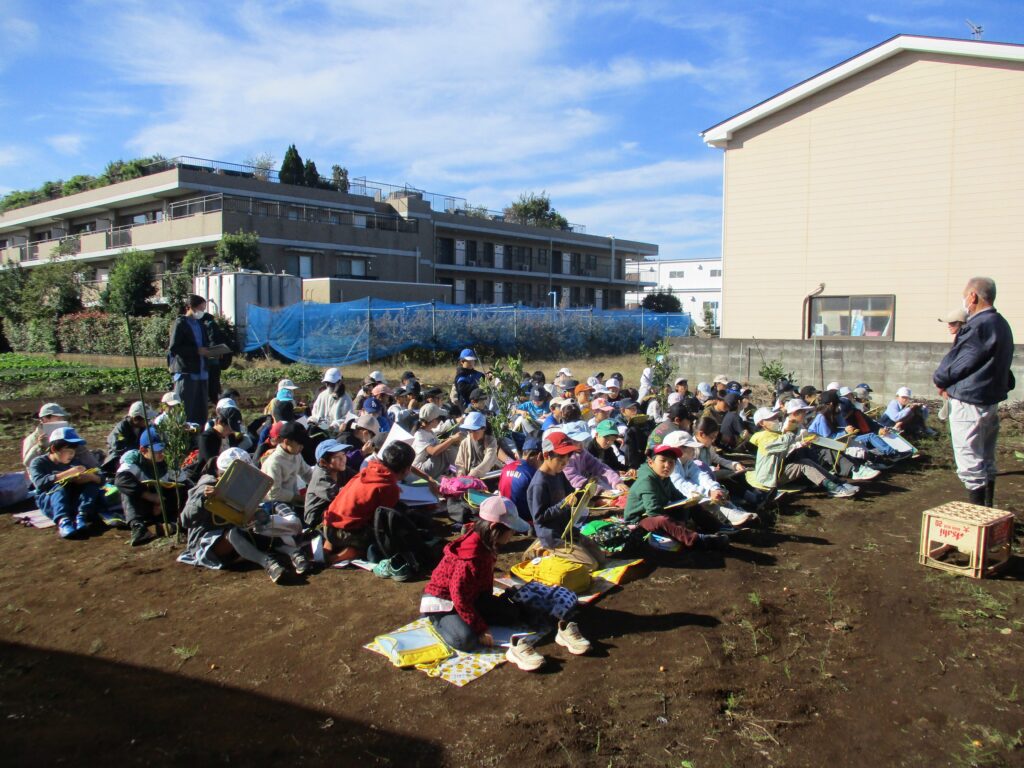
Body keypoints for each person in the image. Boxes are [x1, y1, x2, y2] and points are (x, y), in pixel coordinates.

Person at [420, 495, 590, 670]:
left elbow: (477, 586)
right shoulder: (468, 557)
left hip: (471, 597)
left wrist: (489, 605)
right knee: (466, 640)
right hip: (444, 602)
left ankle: (472, 617)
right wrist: (480, 628)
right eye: (511, 530)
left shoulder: (484, 541)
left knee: (510, 614)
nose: (513, 535)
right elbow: (459, 597)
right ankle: (436, 619)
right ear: (494, 527)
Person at [933, 276, 1015, 506]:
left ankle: (978, 515)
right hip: (989, 398)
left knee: (970, 461)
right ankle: (988, 509)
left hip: (970, 399)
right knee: (985, 459)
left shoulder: (979, 325)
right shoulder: (1002, 324)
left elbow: (961, 361)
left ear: (973, 296)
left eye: (965, 296)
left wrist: (940, 379)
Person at [178, 449, 293, 583]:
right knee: (233, 533)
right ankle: (268, 563)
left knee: (262, 521)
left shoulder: (241, 487)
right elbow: (185, 520)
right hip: (207, 543)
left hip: (236, 534)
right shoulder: (206, 486)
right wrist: (203, 499)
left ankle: (293, 553)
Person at [623, 442, 727, 551]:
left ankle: (717, 527)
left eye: (671, 462)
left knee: (690, 505)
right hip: (639, 521)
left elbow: (678, 497)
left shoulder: (664, 478)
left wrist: (690, 502)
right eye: (662, 460)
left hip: (655, 512)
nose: (667, 465)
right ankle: (698, 540)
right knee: (662, 520)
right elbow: (653, 511)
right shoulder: (647, 480)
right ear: (651, 462)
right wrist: (679, 523)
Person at [322, 441, 415, 562]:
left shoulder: (370, 470)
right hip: (345, 533)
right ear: (407, 469)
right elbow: (382, 520)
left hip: (328, 524)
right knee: (380, 537)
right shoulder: (389, 486)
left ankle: (328, 545)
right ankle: (342, 555)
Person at [526, 432, 605, 568]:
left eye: (568, 458)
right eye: (561, 459)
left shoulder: (559, 474)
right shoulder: (539, 483)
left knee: (601, 559)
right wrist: (563, 504)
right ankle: (544, 551)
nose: (565, 463)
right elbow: (538, 517)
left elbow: (572, 495)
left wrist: (587, 489)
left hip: (566, 531)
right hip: (553, 537)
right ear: (546, 455)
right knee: (591, 565)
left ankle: (552, 550)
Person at [748, 405, 858, 498]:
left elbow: (783, 448)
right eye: (771, 418)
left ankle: (837, 482)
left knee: (806, 461)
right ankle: (834, 488)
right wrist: (790, 431)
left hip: (776, 470)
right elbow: (783, 444)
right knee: (803, 465)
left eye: (776, 417)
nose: (776, 419)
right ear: (762, 423)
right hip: (769, 477)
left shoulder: (774, 434)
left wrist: (799, 444)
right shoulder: (763, 437)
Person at [115, 427, 188, 546]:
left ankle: (175, 524)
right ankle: (138, 527)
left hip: (164, 502)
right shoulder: (134, 459)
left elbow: (184, 485)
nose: (162, 454)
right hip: (143, 502)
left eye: (164, 449)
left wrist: (163, 502)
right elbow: (121, 480)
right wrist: (150, 496)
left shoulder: (169, 460)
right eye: (157, 451)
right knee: (126, 492)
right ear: (143, 450)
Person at [28, 427, 105, 539]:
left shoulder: (74, 462)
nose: (72, 455)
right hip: (51, 502)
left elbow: (101, 478)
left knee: (91, 485)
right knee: (58, 487)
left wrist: (91, 477)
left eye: (73, 451)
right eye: (68, 451)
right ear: (54, 449)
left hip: (71, 499)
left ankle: (82, 515)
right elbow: (40, 483)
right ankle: (63, 520)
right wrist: (68, 473)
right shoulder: (39, 462)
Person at [168, 294, 212, 426]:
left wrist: (211, 352)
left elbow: (204, 344)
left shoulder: (201, 324)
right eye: (200, 308)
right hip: (187, 372)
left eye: (203, 309)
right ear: (190, 307)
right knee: (186, 410)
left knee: (201, 411)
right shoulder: (181, 323)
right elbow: (174, 347)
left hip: (202, 372)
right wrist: (196, 351)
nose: (201, 312)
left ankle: (198, 440)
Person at [22, 402, 99, 474]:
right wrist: (39, 447)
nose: (62, 421)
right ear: (44, 419)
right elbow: (28, 464)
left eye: (62, 419)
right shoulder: (31, 439)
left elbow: (90, 462)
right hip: (47, 477)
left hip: (70, 474)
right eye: (58, 419)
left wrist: (76, 445)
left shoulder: (67, 433)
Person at [560, 421, 630, 493]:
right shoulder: (565, 458)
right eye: (575, 441)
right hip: (570, 496)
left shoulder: (583, 452)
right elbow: (575, 480)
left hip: (587, 490)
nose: (580, 445)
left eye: (581, 441)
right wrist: (600, 490)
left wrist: (617, 482)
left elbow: (600, 467)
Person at [304, 439, 355, 530]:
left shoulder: (341, 469)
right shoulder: (320, 478)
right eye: (337, 457)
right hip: (317, 517)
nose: (343, 459)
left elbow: (357, 477)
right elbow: (340, 495)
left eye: (343, 454)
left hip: (333, 507)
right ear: (324, 462)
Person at [262, 421, 313, 507]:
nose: (302, 447)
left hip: (293, 500)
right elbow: (274, 493)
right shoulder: (274, 462)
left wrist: (320, 485)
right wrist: (299, 498)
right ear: (287, 442)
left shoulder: (296, 455)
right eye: (299, 444)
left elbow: (306, 473)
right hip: (275, 505)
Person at [412, 403, 463, 479]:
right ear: (433, 421)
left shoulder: (430, 432)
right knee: (446, 450)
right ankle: (461, 473)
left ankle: (459, 471)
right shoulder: (419, 434)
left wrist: (452, 441)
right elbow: (433, 451)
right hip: (419, 471)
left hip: (429, 466)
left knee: (449, 447)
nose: (440, 421)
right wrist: (451, 439)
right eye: (439, 419)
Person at [498, 437, 542, 522]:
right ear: (539, 456)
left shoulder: (506, 468)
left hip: (504, 516)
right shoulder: (533, 473)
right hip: (523, 521)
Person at [104, 401, 155, 473]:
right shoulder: (120, 430)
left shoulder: (144, 428)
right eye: (146, 419)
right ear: (135, 419)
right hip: (120, 460)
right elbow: (119, 448)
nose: (148, 421)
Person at [453, 411, 502, 478]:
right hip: (470, 476)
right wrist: (461, 474)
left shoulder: (491, 441)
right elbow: (459, 463)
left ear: (483, 428)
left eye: (474, 431)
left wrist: (472, 475)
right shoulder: (464, 443)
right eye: (469, 431)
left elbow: (488, 461)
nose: (472, 434)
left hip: (488, 474)